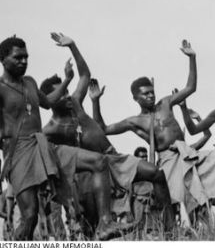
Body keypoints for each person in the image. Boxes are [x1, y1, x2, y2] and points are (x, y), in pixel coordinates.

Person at [0, 35, 134, 240]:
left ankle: (105, 224)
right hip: (19, 153)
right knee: (30, 216)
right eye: (18, 58)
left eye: (26, 57)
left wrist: (67, 79)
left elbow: (48, 102)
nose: (24, 61)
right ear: (3, 59)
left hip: (43, 147)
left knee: (99, 161)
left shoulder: (30, 82)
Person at [90, 41, 215, 215]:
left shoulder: (165, 103)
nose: (151, 96)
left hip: (188, 153)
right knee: (178, 200)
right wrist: (95, 101)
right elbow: (103, 129)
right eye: (145, 94)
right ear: (136, 98)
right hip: (169, 160)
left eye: (151, 92)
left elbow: (190, 87)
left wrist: (192, 58)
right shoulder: (135, 121)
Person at [40, 33, 174, 235]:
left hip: (114, 158)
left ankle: (172, 232)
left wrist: (73, 46)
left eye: (67, 91)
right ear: (51, 100)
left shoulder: (75, 103)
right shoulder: (51, 129)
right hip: (90, 171)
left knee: (156, 174)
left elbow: (84, 75)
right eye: (62, 93)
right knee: (91, 225)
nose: (67, 95)